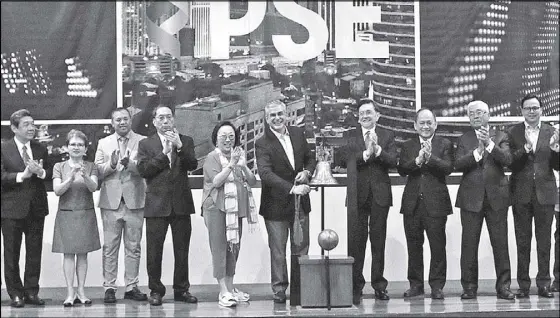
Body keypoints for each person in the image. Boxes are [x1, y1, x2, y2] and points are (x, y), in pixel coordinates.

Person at [137, 105, 199, 306]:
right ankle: (156, 290)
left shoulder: (186, 140)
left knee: (182, 250)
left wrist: (179, 146)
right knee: (154, 251)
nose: (166, 121)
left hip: (181, 204)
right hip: (156, 205)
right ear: (154, 121)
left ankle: (182, 289)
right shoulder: (146, 144)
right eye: (161, 118)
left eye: (169, 117)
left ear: (174, 119)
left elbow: (192, 165)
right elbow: (145, 170)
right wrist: (164, 154)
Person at [255, 100, 316, 304]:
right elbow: (265, 174)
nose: (277, 118)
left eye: (280, 114)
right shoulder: (262, 143)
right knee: (279, 252)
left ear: (286, 114)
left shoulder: (297, 134)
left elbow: (310, 158)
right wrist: (292, 188)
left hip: (300, 204)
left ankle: (300, 290)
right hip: (275, 206)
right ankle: (280, 291)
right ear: (266, 118)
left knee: (301, 249)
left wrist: (307, 172)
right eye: (272, 115)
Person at [338, 99, 397, 304]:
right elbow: (342, 158)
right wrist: (365, 154)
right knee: (356, 243)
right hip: (357, 196)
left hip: (380, 195)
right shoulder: (350, 135)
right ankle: (356, 286)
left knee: (378, 242)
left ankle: (379, 285)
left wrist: (378, 151)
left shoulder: (388, 135)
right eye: (361, 113)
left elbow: (394, 161)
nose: (364, 116)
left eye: (369, 113)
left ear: (377, 115)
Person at [455, 100, 515, 300]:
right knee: (469, 244)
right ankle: (469, 287)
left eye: (480, 112)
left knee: (501, 243)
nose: (476, 116)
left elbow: (507, 160)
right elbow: (458, 164)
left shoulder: (501, 136)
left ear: (489, 115)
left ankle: (504, 286)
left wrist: (489, 144)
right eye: (471, 114)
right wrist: (477, 153)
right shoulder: (464, 139)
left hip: (497, 197)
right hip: (471, 198)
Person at [397, 108, 453, 300]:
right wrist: (418, 160)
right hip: (412, 204)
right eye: (422, 123)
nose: (426, 126)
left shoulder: (445, 143)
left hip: (436, 204)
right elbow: (402, 169)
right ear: (415, 126)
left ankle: (437, 286)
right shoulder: (408, 145)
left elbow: (448, 168)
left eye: (429, 122)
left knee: (438, 246)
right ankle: (416, 285)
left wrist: (430, 158)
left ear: (435, 124)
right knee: (414, 246)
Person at [507, 94, 559, 298]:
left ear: (541, 110)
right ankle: (523, 285)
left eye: (535, 107)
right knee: (523, 241)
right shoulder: (513, 133)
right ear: (521, 111)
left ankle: (544, 283)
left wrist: (556, 151)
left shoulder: (551, 132)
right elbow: (509, 162)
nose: (532, 111)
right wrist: (524, 149)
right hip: (521, 193)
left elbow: (557, 166)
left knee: (544, 241)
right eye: (528, 108)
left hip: (545, 194)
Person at [202, 121, 258, 307]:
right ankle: (223, 291)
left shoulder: (238, 157)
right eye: (223, 136)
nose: (228, 140)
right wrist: (232, 164)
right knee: (219, 249)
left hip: (236, 210)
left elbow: (252, 181)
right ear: (215, 140)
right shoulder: (211, 158)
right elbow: (217, 182)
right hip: (216, 209)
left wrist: (242, 166)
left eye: (231, 137)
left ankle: (231, 288)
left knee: (233, 248)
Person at [94, 108, 148, 303]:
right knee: (110, 246)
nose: (122, 122)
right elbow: (98, 171)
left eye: (125, 119)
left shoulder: (143, 141)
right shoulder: (103, 143)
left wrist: (131, 165)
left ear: (131, 120)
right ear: (112, 123)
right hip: (111, 202)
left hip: (135, 200)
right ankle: (109, 286)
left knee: (133, 247)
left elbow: (147, 169)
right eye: (118, 120)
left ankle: (132, 286)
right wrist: (112, 163)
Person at [1, 109, 50, 308]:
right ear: (14, 128)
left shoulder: (40, 149)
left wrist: (41, 172)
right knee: (12, 253)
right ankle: (15, 293)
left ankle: (31, 291)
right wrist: (22, 175)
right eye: (26, 125)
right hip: (11, 210)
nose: (32, 128)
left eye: (33, 123)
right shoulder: (3, 148)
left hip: (36, 208)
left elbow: (47, 175)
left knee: (34, 252)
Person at [52, 129, 101, 306]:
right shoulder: (59, 167)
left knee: (83, 254)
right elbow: (58, 190)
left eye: (80, 145)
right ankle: (70, 293)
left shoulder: (91, 165)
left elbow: (93, 187)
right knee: (68, 255)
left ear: (85, 149)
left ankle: (81, 291)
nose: (76, 147)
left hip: (85, 213)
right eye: (73, 144)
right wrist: (71, 177)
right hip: (66, 214)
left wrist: (85, 175)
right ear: (66, 147)